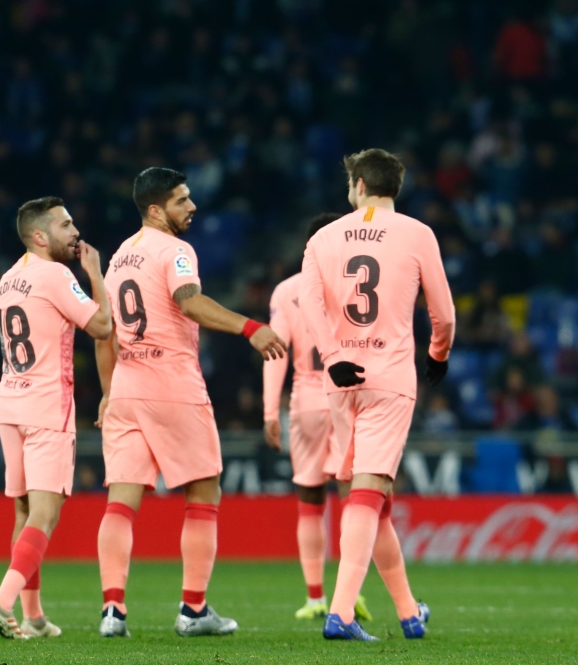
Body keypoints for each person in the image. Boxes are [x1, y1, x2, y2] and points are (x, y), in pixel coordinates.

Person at [94, 167, 287, 638]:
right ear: (156, 209)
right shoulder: (176, 250)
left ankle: (113, 611)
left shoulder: (120, 257)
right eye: (182, 200)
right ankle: (194, 610)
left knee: (121, 501)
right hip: (171, 384)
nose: (192, 206)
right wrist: (251, 327)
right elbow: (189, 301)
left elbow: (104, 331)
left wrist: (106, 393)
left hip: (126, 385)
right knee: (204, 493)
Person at [298, 149, 455, 641]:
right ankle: (341, 613)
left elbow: (308, 301)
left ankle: (409, 612)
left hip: (340, 378)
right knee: (369, 491)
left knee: (371, 497)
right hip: (389, 376)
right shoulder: (417, 233)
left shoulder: (323, 237)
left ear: (360, 184)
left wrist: (331, 354)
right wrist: (438, 354)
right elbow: (444, 312)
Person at [0, 197, 112, 639]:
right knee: (45, 514)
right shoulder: (56, 275)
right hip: (45, 407)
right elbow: (103, 327)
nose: (75, 232)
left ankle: (33, 616)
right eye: (65, 225)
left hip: (10, 403)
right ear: (40, 236)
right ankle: (1, 603)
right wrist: (95, 273)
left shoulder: (8, 279)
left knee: (23, 512)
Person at [262, 213, 372, 623]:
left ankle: (314, 598)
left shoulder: (288, 291)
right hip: (348, 397)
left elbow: (276, 351)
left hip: (307, 400)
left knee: (310, 500)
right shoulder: (357, 281)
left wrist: (270, 410)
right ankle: (351, 594)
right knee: (353, 499)